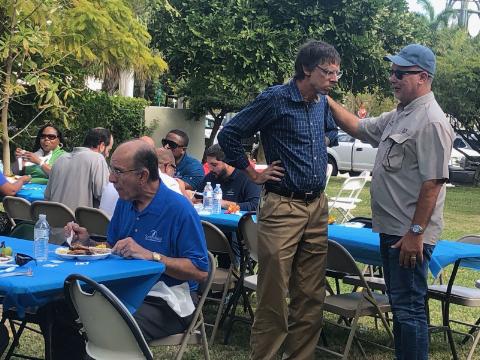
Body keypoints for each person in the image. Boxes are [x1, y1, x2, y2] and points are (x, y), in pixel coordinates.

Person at [326, 44, 454, 360]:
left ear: (423, 77)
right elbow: (357, 126)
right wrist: (324, 98)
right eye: (392, 72)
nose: (392, 78)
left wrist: (415, 233)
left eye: (400, 73)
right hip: (393, 230)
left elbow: (433, 183)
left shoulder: (432, 121)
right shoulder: (401, 114)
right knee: (401, 305)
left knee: (409, 309)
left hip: (409, 236)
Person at [218, 40, 340, 360]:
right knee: (273, 295)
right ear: (306, 70)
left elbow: (330, 134)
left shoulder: (322, 103)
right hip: (283, 207)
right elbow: (229, 135)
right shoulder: (275, 99)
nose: (333, 78)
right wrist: (252, 172)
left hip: (316, 206)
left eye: (336, 74)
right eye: (327, 72)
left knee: (311, 296)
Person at [66, 140, 209, 341]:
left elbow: (200, 271)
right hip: (123, 289)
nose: (111, 178)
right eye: (111, 169)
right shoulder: (125, 202)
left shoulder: (179, 209)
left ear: (142, 175)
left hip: (166, 299)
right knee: (59, 310)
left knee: (105, 325)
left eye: (118, 171)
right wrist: (87, 244)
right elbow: (113, 249)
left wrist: (152, 256)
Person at [45, 127, 112, 211]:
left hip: (54, 219)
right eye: (109, 150)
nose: (108, 155)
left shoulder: (60, 158)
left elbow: (47, 195)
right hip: (78, 222)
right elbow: (103, 196)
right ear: (102, 146)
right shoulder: (97, 158)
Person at [198, 144, 260, 211]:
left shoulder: (247, 177)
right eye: (208, 164)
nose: (211, 168)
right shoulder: (210, 177)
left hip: (238, 220)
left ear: (228, 162)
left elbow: (255, 206)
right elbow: (198, 198)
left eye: (214, 165)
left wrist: (222, 203)